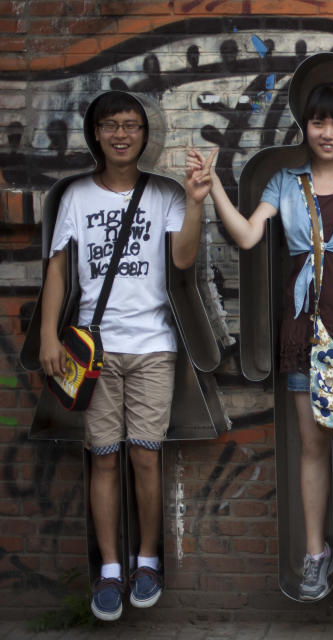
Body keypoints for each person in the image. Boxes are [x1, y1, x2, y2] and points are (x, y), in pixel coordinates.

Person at [188, 81, 333, 602]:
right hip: (303, 332)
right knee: (311, 446)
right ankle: (316, 555)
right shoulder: (285, 183)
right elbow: (248, 236)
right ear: (305, 125)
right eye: (320, 123)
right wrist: (214, 189)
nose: (329, 133)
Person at [38, 91, 207, 621]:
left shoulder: (163, 195)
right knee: (103, 457)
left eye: (130, 125)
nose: (120, 134)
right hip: (94, 350)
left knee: (144, 454)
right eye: (110, 125)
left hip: (154, 345)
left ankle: (148, 559)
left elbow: (182, 257)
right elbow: (58, 270)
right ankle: (110, 570)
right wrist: (48, 335)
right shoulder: (76, 198)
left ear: (144, 134)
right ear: (95, 133)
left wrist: (197, 200)